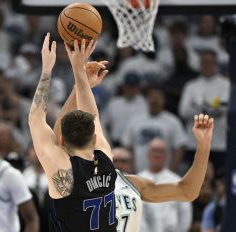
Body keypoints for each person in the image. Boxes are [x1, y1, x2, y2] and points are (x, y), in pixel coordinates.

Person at [53, 65, 215, 232]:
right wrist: (78, 87)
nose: (119, 164)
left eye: (123, 161)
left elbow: (187, 191)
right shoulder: (70, 181)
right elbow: (58, 138)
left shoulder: (132, 183)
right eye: (117, 160)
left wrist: (204, 146)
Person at [28, 33, 117, 231]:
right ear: (94, 137)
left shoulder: (62, 169)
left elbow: (35, 120)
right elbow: (92, 114)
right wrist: (80, 76)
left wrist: (46, 71)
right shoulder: (105, 156)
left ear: (62, 141)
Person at [138, 138, 192, 232]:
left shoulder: (177, 181)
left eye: (161, 151)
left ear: (167, 155)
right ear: (148, 154)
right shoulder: (137, 181)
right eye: (154, 150)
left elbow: (185, 212)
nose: (157, 154)